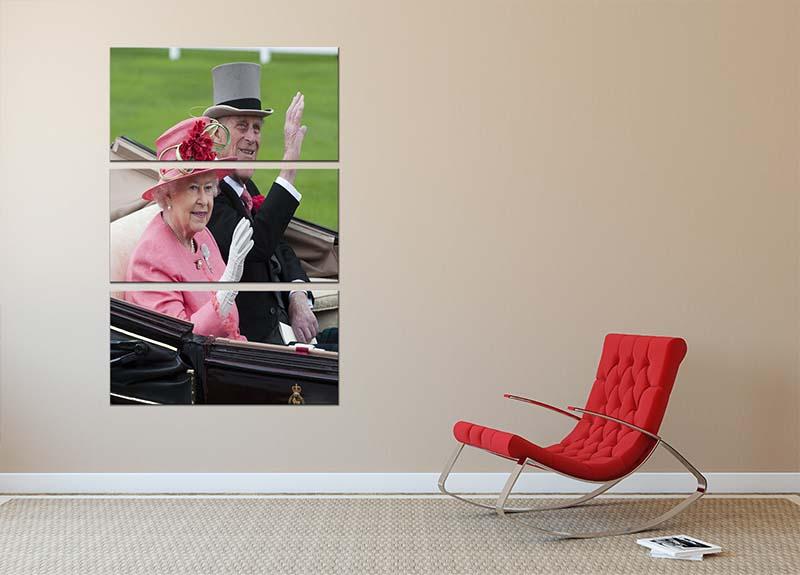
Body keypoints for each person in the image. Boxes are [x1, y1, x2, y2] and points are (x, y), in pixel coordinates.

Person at [125, 116, 299, 340]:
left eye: (208, 188)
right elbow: (183, 342)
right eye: (193, 188)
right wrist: (228, 285)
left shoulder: (201, 235)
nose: (204, 200)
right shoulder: (150, 260)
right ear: (167, 194)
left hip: (232, 356)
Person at [204, 62, 320, 345]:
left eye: (257, 128)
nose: (252, 138)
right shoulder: (209, 198)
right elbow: (258, 245)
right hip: (258, 347)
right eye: (242, 126)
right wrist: (289, 161)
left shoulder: (245, 187)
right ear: (218, 135)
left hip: (289, 331)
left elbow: (280, 245)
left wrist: (297, 296)